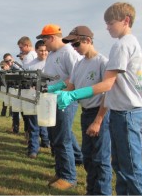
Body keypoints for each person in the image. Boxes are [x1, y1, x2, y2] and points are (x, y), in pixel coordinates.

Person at [55, 2, 142, 195]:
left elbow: (108, 85)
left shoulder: (121, 46)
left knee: (130, 169)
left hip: (126, 113)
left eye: (110, 22)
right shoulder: (128, 44)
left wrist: (74, 95)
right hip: (121, 112)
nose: (107, 27)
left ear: (125, 20)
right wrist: (56, 89)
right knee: (121, 167)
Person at [55, 25, 112, 195]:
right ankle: (91, 190)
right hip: (86, 113)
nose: (74, 48)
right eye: (71, 45)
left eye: (76, 44)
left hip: (99, 113)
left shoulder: (103, 62)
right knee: (87, 157)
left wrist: (98, 121)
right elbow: (72, 85)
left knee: (101, 159)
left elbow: (108, 94)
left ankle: (102, 192)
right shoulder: (79, 64)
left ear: (87, 40)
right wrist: (56, 92)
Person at [36, 23, 83, 190]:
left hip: (65, 101)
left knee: (62, 139)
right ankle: (61, 172)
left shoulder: (68, 53)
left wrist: (59, 90)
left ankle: (69, 177)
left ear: (52, 38)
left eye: (44, 40)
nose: (44, 44)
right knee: (55, 138)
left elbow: (76, 77)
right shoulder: (52, 54)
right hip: (51, 100)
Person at [25, 40, 50, 158]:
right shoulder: (30, 65)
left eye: (45, 50)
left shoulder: (51, 63)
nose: (44, 53)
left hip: (48, 97)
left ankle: (46, 142)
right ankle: (33, 149)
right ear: (36, 51)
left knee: (47, 123)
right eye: (41, 50)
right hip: (34, 96)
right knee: (34, 124)